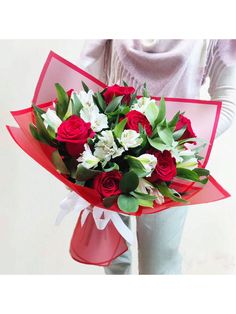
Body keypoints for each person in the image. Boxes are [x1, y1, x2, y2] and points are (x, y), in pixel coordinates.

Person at [79, 40, 236, 275]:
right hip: (110, 156)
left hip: (168, 166)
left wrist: (170, 147)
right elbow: (91, 82)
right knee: (114, 263)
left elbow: (227, 105)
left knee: (159, 268)